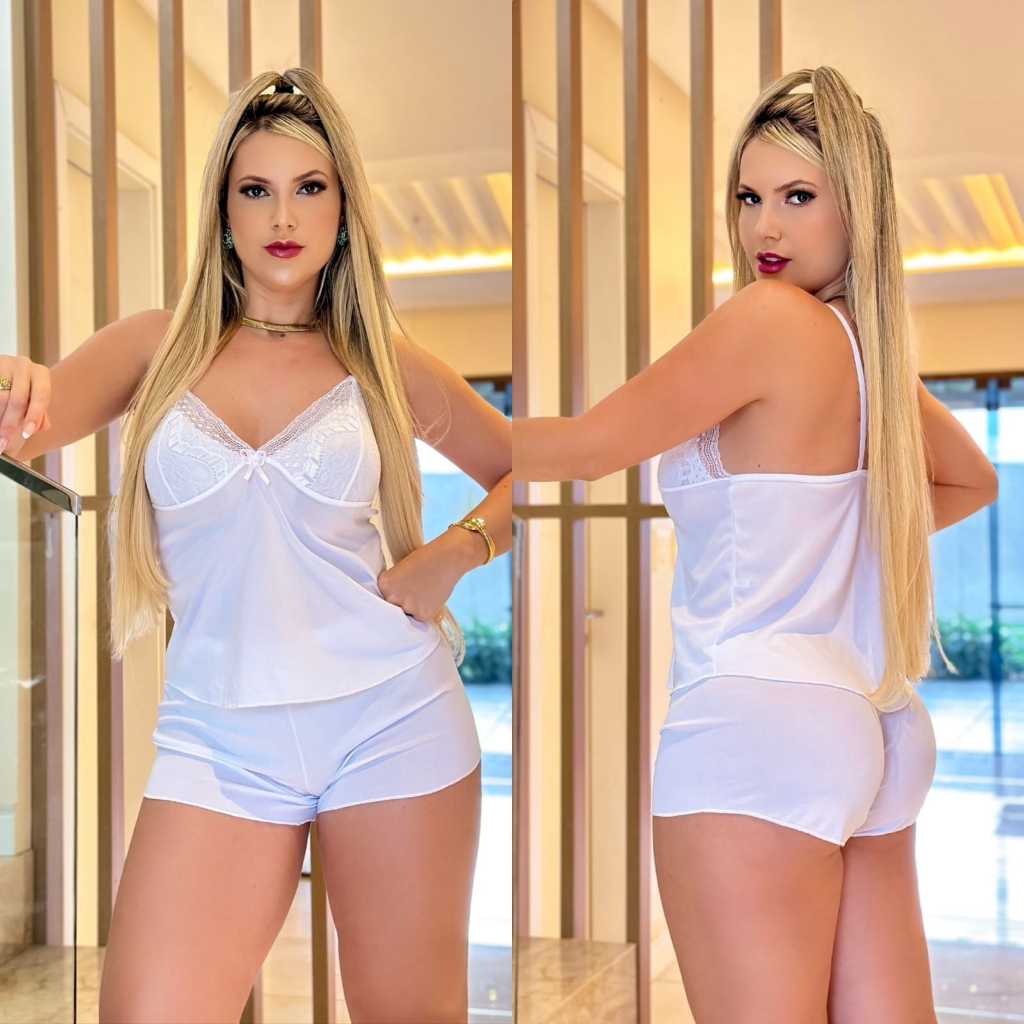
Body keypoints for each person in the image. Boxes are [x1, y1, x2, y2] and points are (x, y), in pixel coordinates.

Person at [0, 68, 511, 1023]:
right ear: (223, 211)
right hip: (218, 736)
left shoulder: (381, 360)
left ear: (343, 210)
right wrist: (18, 377)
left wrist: (455, 552)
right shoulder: (156, 348)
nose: (283, 214)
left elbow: (541, 470)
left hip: (392, 719)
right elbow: (27, 420)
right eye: (256, 189)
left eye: (310, 187)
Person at [512, 66, 998, 1022]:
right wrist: (828, 534)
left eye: (797, 197)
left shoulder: (769, 319)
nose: (763, 228)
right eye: (748, 197)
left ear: (858, 209)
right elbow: (971, 481)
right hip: (875, 725)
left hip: (753, 729)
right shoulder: (867, 350)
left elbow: (584, 447)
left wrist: (414, 409)